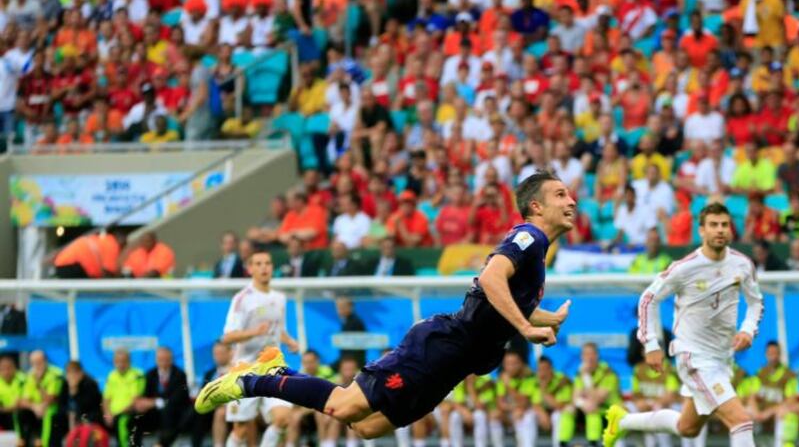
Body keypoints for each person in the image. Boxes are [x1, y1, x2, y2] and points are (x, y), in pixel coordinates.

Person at [196, 171, 576, 441]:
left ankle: (279, 372)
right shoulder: (529, 237)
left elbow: (502, 302)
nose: (571, 200)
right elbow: (492, 280)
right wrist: (527, 328)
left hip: (453, 368)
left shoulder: (537, 254)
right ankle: (252, 380)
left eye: (569, 195)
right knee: (344, 407)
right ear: (536, 206)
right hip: (440, 348)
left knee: (366, 427)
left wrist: (544, 319)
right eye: (560, 195)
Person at [603, 203, 763, 447]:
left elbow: (755, 301)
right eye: (713, 225)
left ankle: (622, 421)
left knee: (687, 428)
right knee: (741, 421)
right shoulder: (685, 267)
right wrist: (651, 344)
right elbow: (648, 299)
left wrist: (748, 329)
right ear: (702, 230)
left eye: (724, 224)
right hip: (694, 357)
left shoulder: (742, 264)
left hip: (722, 358)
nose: (720, 230)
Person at [220, 252, 301, 447]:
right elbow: (228, 336)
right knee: (240, 429)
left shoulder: (280, 298)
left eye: (267, 263)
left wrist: (290, 341)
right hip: (245, 369)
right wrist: (254, 332)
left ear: (272, 268)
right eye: (258, 264)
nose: (264, 267)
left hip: (273, 368)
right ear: (250, 269)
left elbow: (278, 329)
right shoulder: (242, 298)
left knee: (283, 417)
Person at [134, 347, 192, 447]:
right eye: (161, 359)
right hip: (154, 412)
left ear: (171, 360)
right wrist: (145, 403)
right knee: (136, 415)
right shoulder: (150, 374)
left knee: (168, 410)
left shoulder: (180, 375)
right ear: (156, 360)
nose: (164, 362)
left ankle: (162, 444)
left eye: (166, 359)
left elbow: (177, 398)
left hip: (175, 411)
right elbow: (146, 396)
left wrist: (156, 402)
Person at [743, 341, 796, 445]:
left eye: (775, 353)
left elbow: (791, 400)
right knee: (744, 412)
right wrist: (756, 413)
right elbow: (752, 396)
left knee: (784, 412)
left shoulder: (789, 375)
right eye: (770, 353)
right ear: (766, 354)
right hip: (761, 411)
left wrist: (770, 412)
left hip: (776, 411)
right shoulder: (760, 373)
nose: (773, 356)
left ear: (780, 354)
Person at [17, 350, 64, 447]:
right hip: (37, 408)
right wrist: (34, 407)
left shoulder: (56, 374)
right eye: (34, 363)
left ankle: (44, 443)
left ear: (45, 361)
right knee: (22, 412)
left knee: (48, 412)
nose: (36, 366)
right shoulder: (30, 375)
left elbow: (50, 399)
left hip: (53, 408)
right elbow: (25, 399)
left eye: (39, 362)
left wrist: (38, 383)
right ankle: (23, 441)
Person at [102, 349, 144, 447]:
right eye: (118, 361)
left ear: (129, 361)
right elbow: (106, 399)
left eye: (124, 361)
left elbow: (135, 400)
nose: (121, 364)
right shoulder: (111, 376)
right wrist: (107, 414)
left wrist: (117, 414)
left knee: (122, 420)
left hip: (130, 412)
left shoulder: (137, 375)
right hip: (113, 414)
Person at [193, 342, 232, 447]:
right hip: (211, 406)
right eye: (216, 353)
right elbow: (202, 392)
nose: (218, 356)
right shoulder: (209, 373)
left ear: (230, 353)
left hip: (228, 405)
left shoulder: (235, 371)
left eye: (221, 353)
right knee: (195, 410)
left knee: (219, 413)